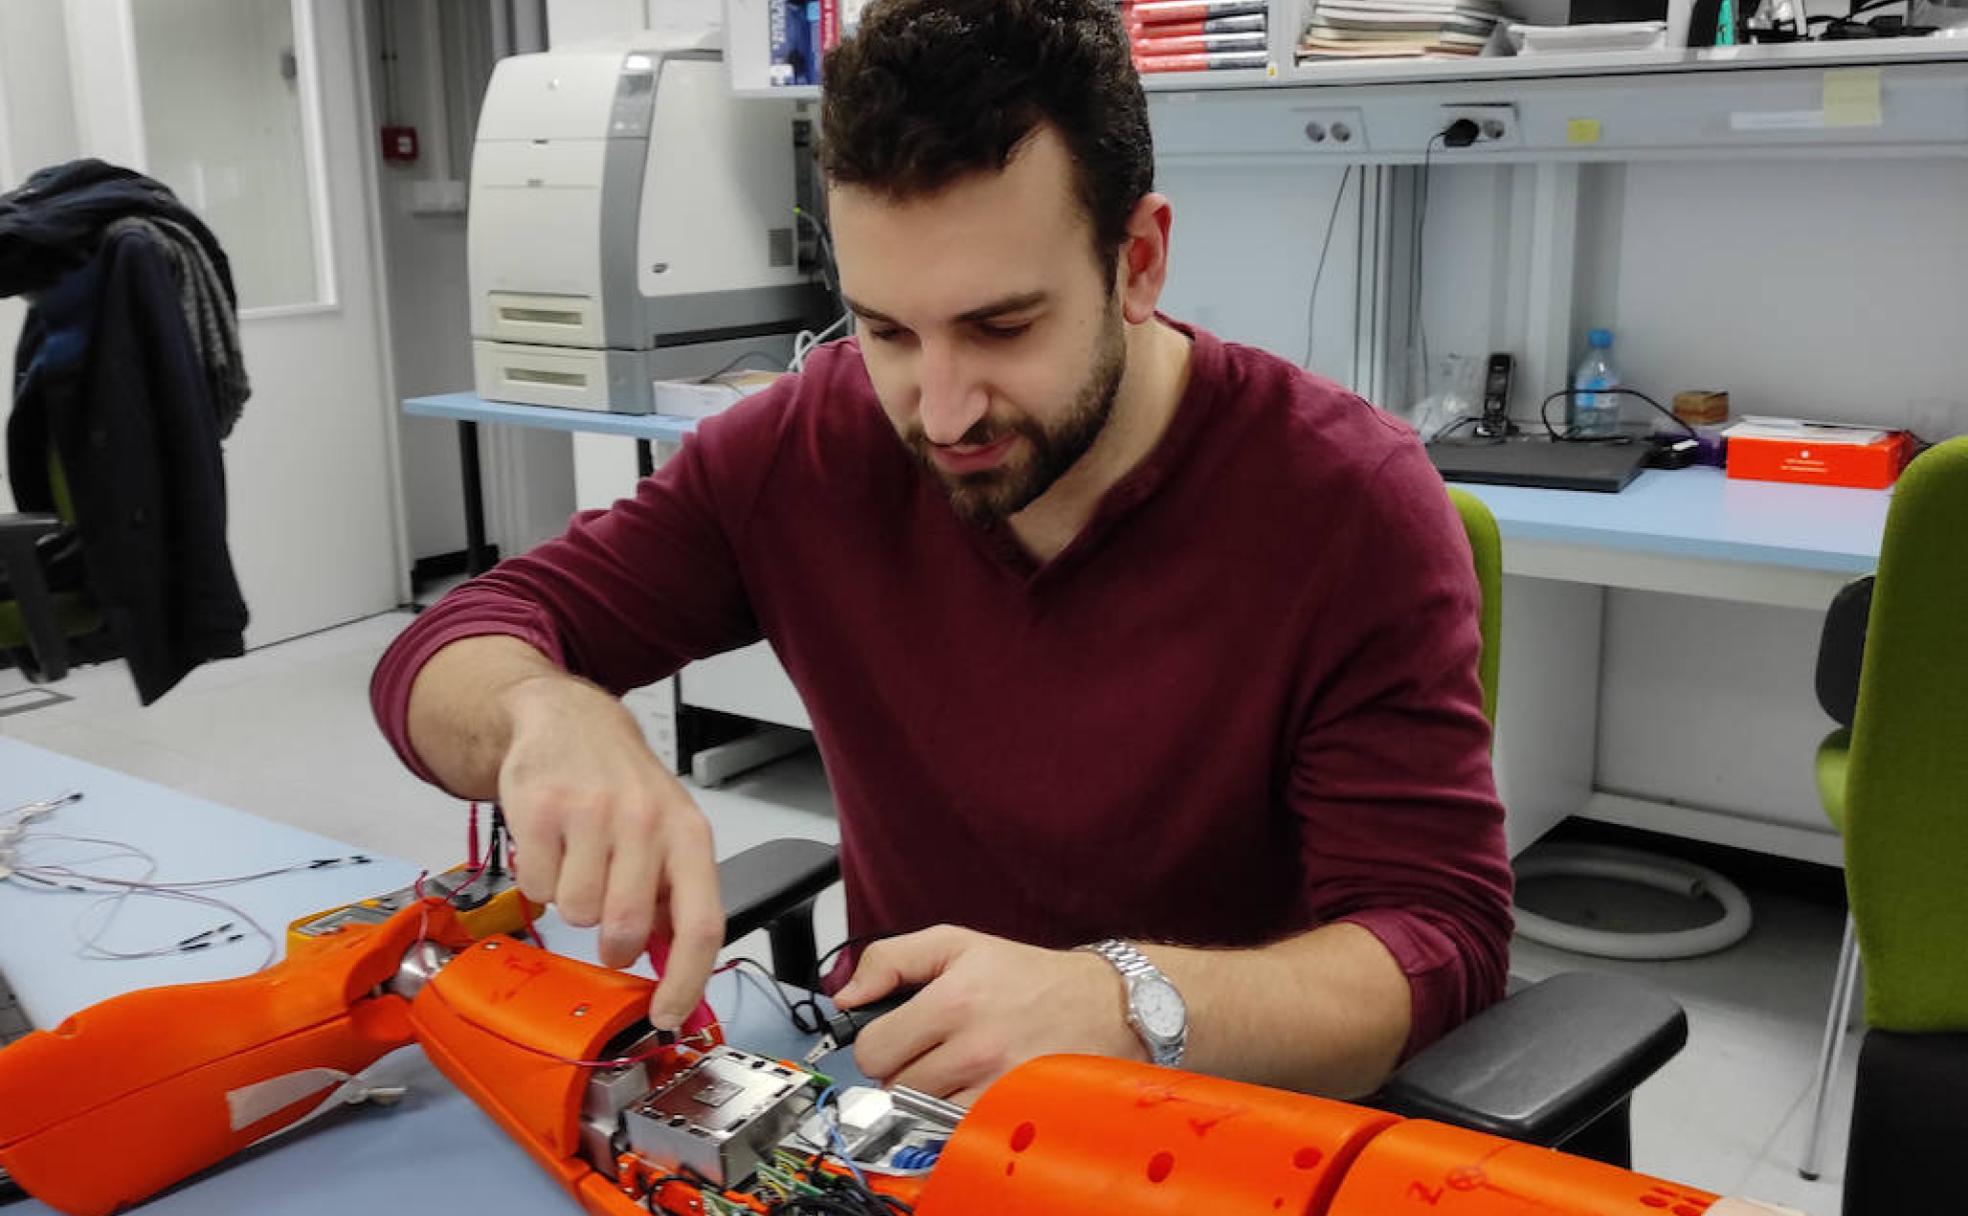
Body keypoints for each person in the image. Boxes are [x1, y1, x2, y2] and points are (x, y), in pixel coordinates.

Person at [371, 0, 1511, 1106]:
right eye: (887, 331)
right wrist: (543, 712)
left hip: (1213, 1116)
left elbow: (1438, 944)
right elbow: (443, 650)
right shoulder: (806, 447)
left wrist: (1122, 1004)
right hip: (905, 1112)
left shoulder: (1344, 504)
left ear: (1140, 262)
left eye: (1001, 327)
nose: (946, 409)